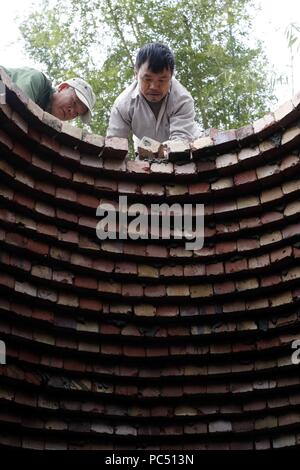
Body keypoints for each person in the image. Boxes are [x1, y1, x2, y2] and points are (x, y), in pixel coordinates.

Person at [106, 43, 202, 148]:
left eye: (162, 80)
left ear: (171, 76)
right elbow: (114, 143)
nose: (154, 86)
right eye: (147, 79)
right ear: (136, 74)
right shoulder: (123, 105)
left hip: (185, 147)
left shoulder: (182, 100)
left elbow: (180, 143)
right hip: (144, 148)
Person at [0, 66, 96, 123]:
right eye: (74, 102)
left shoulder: (44, 116)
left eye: (76, 113)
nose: (71, 111)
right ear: (63, 88)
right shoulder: (38, 80)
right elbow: (17, 108)